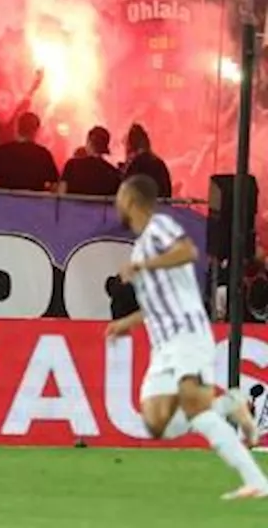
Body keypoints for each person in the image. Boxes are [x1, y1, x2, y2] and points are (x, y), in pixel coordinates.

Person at [107, 175, 265, 501]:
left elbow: (187, 251)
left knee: (197, 411)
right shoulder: (140, 248)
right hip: (163, 345)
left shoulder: (158, 227)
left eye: (120, 198)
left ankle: (257, 481)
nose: (116, 205)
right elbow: (156, 305)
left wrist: (144, 266)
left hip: (187, 333)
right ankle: (230, 404)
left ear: (132, 200)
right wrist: (128, 323)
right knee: (158, 423)